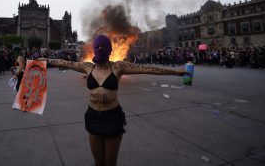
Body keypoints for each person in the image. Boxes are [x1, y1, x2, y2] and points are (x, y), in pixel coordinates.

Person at [38, 35, 190, 166]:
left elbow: (149, 69)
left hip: (112, 118)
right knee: (98, 163)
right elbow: (63, 62)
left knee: (110, 164)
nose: (100, 49)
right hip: (92, 117)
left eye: (104, 46)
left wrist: (177, 72)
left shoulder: (118, 67)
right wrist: (45, 60)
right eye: (98, 46)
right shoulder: (87, 67)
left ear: (110, 50)